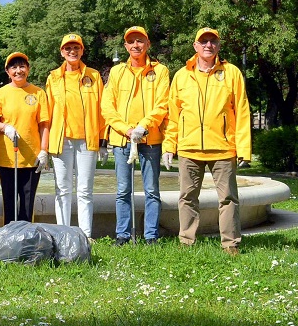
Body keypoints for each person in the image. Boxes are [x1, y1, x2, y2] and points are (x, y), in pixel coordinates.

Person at [163, 27, 251, 256]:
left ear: (218, 46)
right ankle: (186, 241)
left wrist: (244, 149)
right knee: (187, 198)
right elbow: (173, 115)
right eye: (203, 41)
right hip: (189, 148)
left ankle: (230, 244)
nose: (208, 45)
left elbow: (242, 112)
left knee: (229, 199)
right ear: (195, 46)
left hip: (222, 148)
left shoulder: (231, 73)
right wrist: (169, 145)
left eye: (213, 41)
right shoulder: (181, 75)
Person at [101, 26, 170, 245]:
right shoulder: (117, 72)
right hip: (123, 139)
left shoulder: (160, 71)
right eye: (131, 42)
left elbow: (162, 104)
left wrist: (143, 125)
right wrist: (127, 129)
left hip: (149, 138)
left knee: (151, 190)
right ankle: (122, 234)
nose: (135, 45)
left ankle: (151, 235)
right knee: (123, 190)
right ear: (125, 46)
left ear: (147, 44)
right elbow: (107, 107)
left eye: (140, 41)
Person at [46, 33, 106, 238]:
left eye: (76, 48)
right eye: (68, 48)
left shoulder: (94, 76)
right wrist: (45, 147)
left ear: (82, 50)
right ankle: (63, 234)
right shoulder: (53, 77)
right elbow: (48, 112)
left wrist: (103, 140)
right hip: (61, 140)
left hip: (87, 141)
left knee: (85, 191)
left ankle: (85, 235)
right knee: (62, 190)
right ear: (62, 52)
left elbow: (102, 109)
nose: (72, 52)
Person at [0, 52, 50, 224]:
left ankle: (27, 239)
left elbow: (44, 125)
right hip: (6, 157)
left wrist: (44, 150)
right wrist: (4, 127)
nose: (18, 71)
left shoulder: (38, 93)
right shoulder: (0, 93)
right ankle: (9, 239)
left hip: (31, 157)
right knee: (8, 201)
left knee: (27, 201)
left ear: (28, 69)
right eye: (14, 67)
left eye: (22, 66)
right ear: (7, 71)